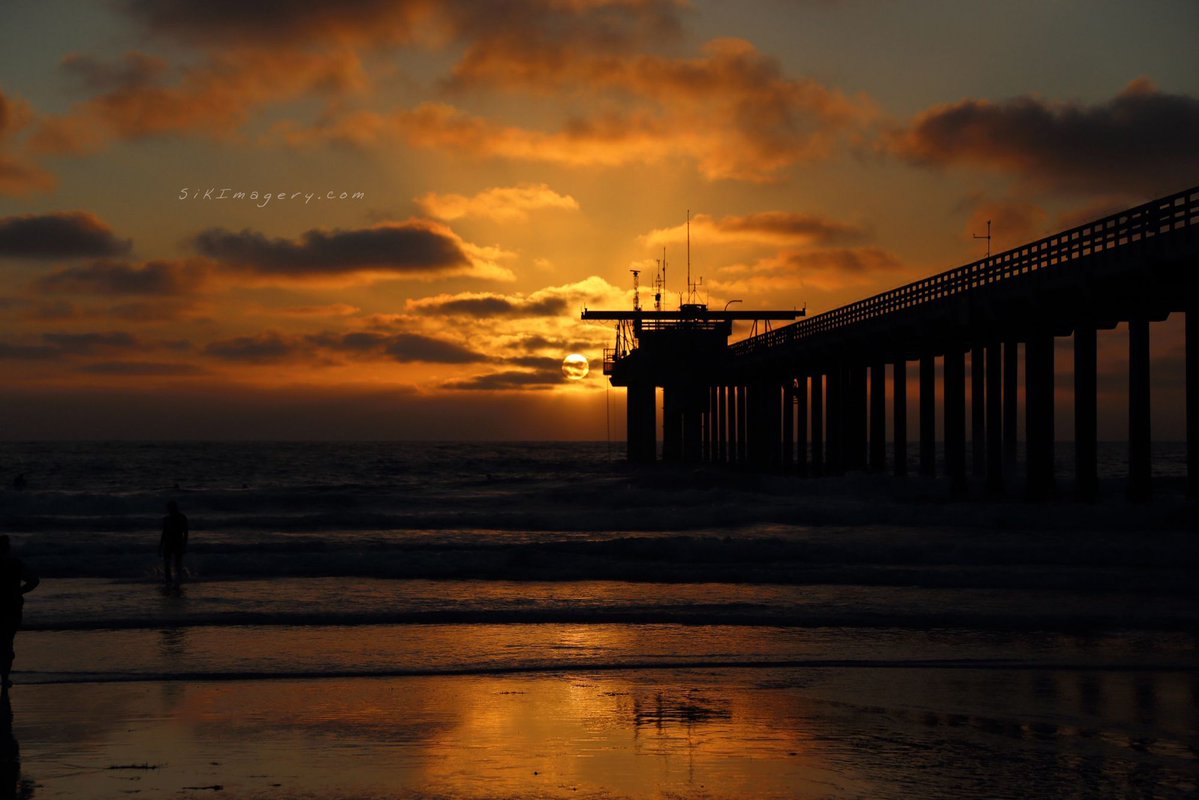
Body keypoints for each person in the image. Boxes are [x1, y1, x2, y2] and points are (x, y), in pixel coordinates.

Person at [0, 535, 39, 692]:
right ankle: (4, 678)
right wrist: (19, 592)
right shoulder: (15, 564)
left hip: (8, 607)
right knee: (6, 644)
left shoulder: (14, 564)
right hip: (12, 607)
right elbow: (34, 580)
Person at [159, 500, 189, 586]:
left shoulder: (182, 517)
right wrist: (160, 545)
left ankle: (177, 581)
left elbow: (186, 532)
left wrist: (184, 544)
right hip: (168, 543)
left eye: (170, 508)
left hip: (177, 542)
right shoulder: (167, 519)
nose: (169, 510)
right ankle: (169, 580)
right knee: (167, 563)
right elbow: (164, 533)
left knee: (177, 563)